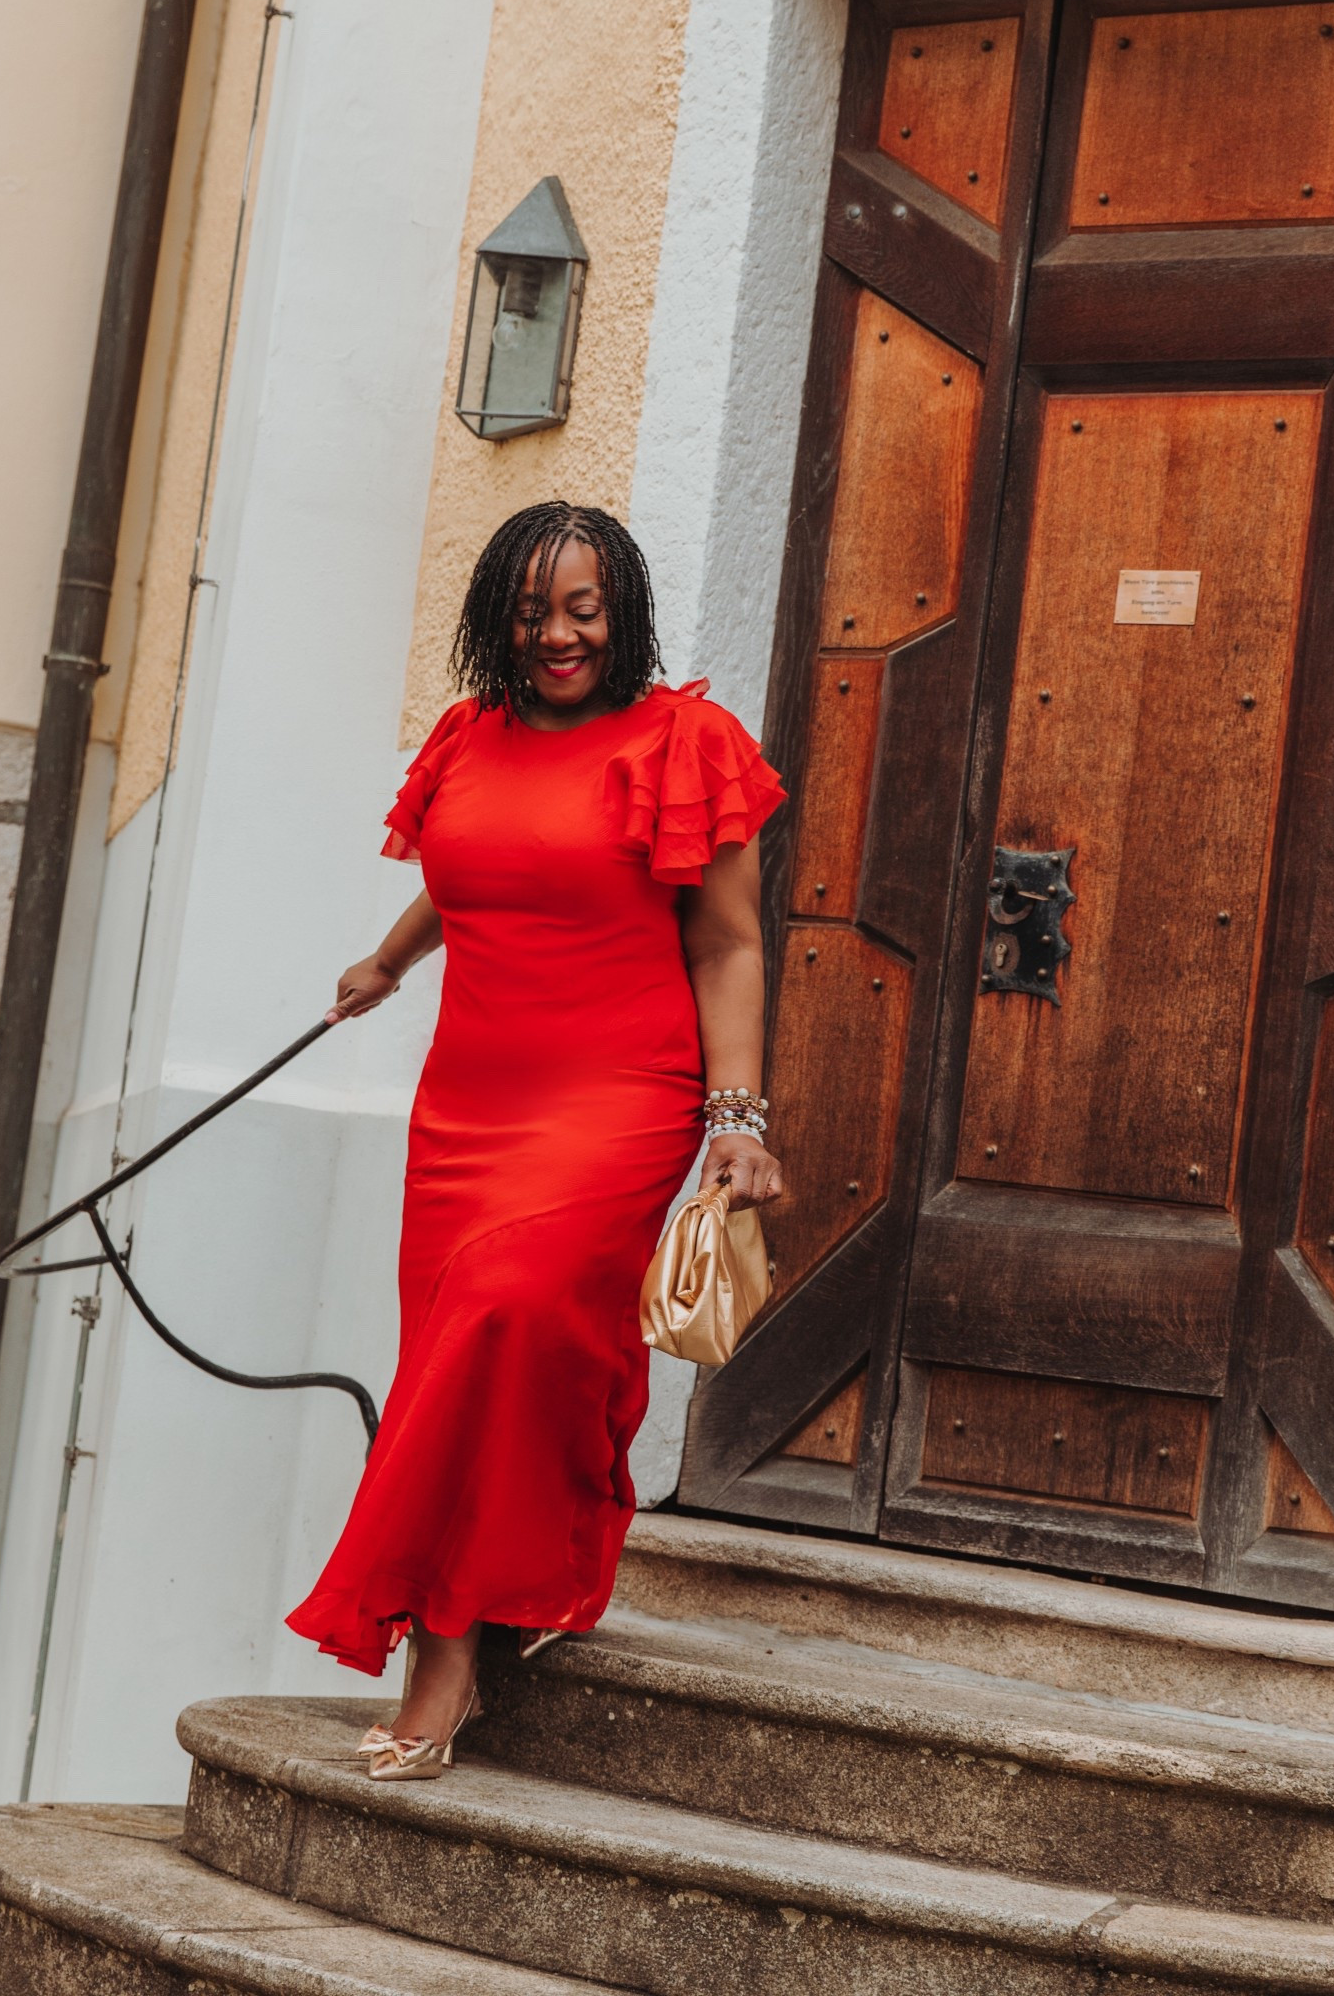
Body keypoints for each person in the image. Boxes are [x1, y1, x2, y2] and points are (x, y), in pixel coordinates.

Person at [285, 500, 785, 1780]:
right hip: (470, 1101)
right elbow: (473, 872)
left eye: (581, 609)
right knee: (460, 1354)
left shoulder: (686, 739)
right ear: (493, 618)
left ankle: (442, 1657)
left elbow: (727, 941)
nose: (555, 634)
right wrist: (387, 961)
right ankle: (482, 1593)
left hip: (621, 1089)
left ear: (621, 610)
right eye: (528, 611)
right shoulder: (470, 738)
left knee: (505, 1312)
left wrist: (738, 1119)